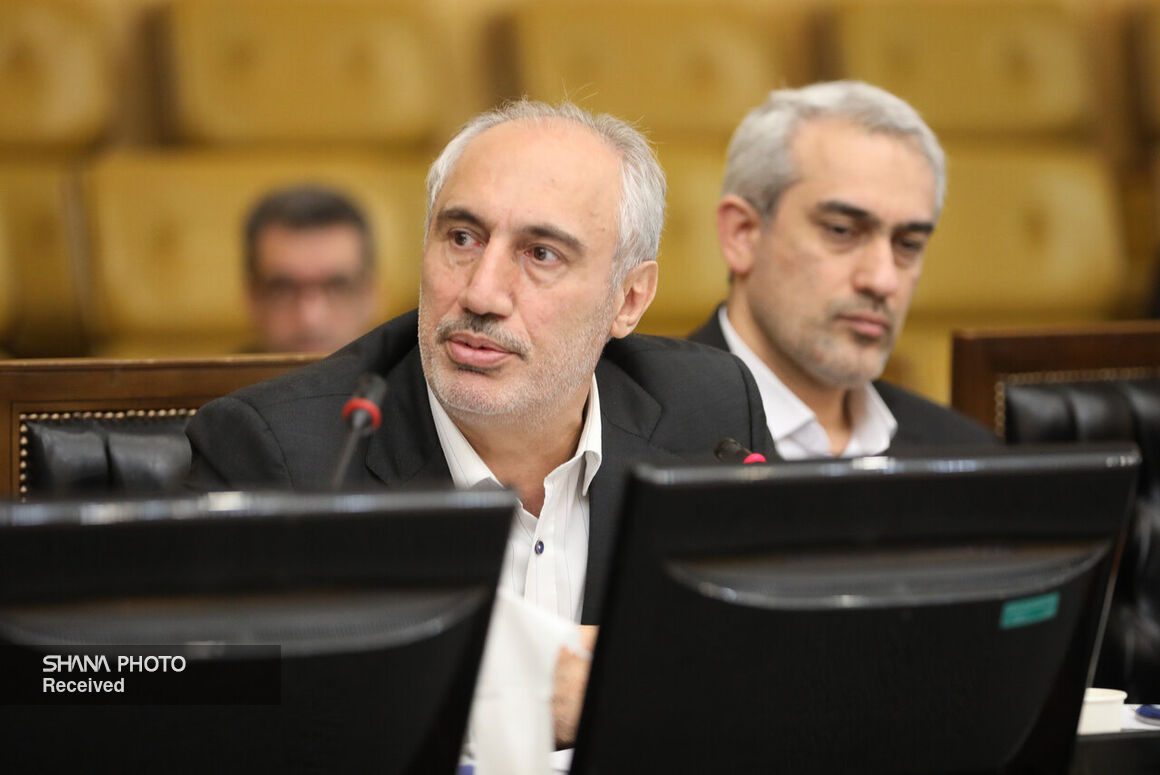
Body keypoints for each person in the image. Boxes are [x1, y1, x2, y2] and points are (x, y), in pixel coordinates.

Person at [186, 100, 771, 752]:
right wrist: (511, 688)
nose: (481, 294)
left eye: (541, 253)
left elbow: (778, 663)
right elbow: (183, 696)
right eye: (462, 238)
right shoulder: (283, 451)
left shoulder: (709, 412)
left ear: (628, 299)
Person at [690, 81, 994, 458]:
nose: (882, 280)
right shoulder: (634, 438)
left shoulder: (967, 455)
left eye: (908, 244)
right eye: (841, 231)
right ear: (743, 234)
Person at [243, 184, 379, 353]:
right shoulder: (217, 371)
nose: (311, 320)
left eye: (337, 287)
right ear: (252, 298)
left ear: (370, 294)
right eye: (282, 290)